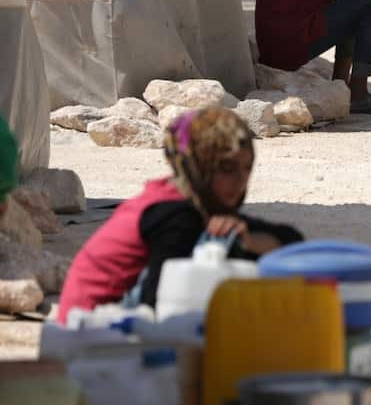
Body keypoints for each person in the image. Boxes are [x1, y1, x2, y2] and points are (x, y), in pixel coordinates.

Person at [58, 108, 303, 324]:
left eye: (247, 168)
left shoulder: (194, 201)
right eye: (227, 169)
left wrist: (249, 240)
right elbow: (161, 305)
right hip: (92, 335)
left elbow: (291, 240)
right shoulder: (175, 215)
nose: (240, 181)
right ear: (198, 166)